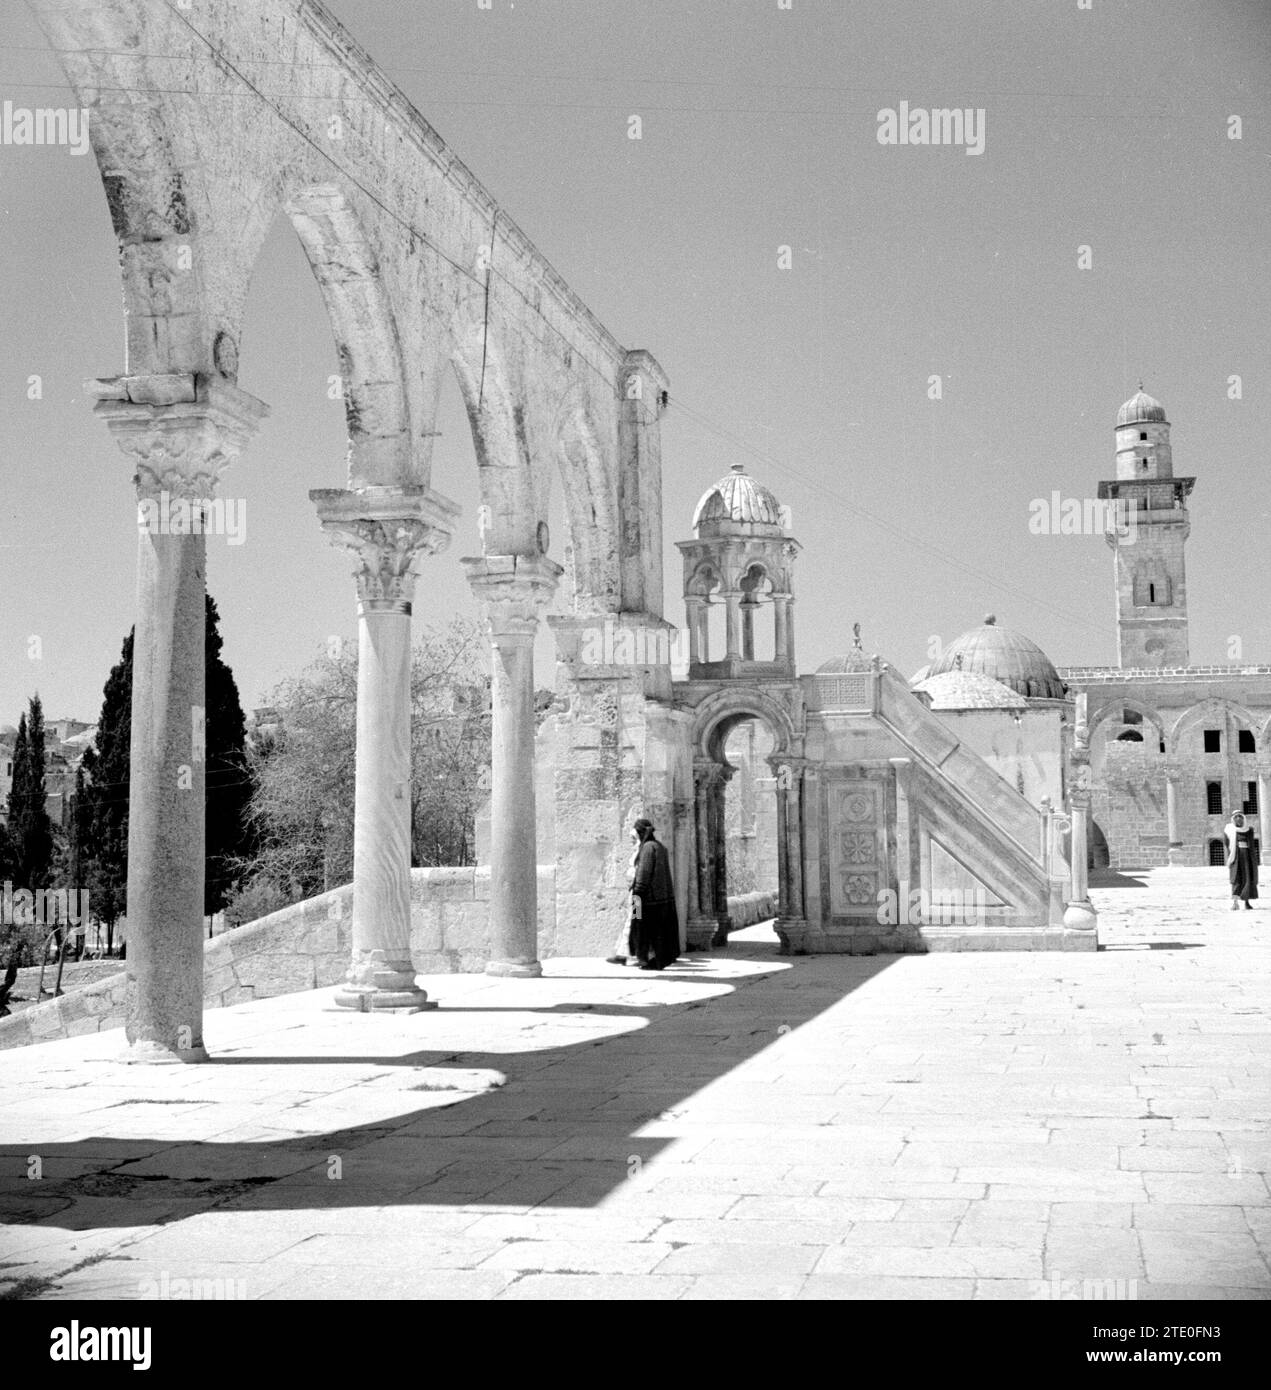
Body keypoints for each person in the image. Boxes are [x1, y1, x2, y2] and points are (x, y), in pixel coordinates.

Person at [629, 817, 681, 970]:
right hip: (663, 899)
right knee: (659, 932)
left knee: (641, 928)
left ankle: (645, 958)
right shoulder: (660, 847)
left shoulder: (647, 849)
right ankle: (654, 959)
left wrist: (636, 894)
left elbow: (644, 874)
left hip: (644, 899)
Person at [1226, 812, 1259, 911]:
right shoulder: (1229, 830)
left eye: (1240, 816)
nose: (1238, 819)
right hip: (1235, 857)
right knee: (1236, 879)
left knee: (1247, 878)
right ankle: (1235, 903)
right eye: (1236, 817)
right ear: (1233, 819)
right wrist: (1231, 857)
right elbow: (1227, 844)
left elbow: (1251, 845)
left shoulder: (1249, 830)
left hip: (1247, 858)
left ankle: (1246, 902)